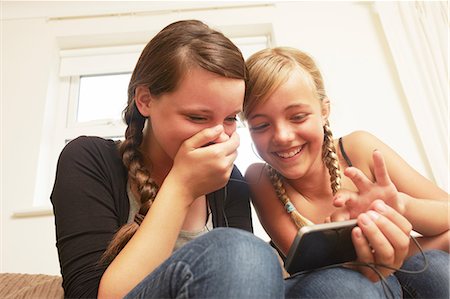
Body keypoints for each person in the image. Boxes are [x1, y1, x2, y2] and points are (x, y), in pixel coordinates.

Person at [51, 20, 285, 299]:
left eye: (231, 119)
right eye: (197, 117)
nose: (217, 135)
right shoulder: (88, 159)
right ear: (145, 100)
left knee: (333, 283)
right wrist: (181, 186)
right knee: (240, 250)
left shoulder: (229, 179)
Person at [242, 47, 449, 298]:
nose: (283, 137)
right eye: (261, 125)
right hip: (346, 284)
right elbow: (317, 267)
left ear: (324, 111)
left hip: (410, 273)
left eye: (297, 117)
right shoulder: (259, 178)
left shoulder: (358, 148)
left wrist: (396, 206)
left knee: (436, 268)